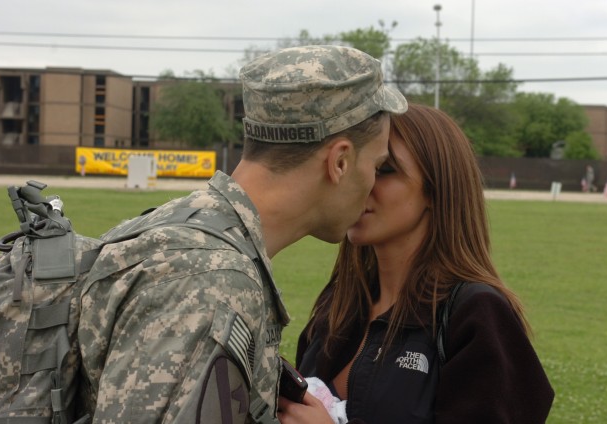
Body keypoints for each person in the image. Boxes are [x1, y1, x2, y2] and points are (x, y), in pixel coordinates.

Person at [77, 45, 407, 423]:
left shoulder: (188, 230)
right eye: (377, 165)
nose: (372, 185)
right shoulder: (209, 280)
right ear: (341, 161)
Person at [279, 103, 554, 423]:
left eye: (384, 170)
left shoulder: (477, 315)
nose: (361, 184)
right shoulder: (338, 302)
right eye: (355, 167)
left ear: (436, 190)